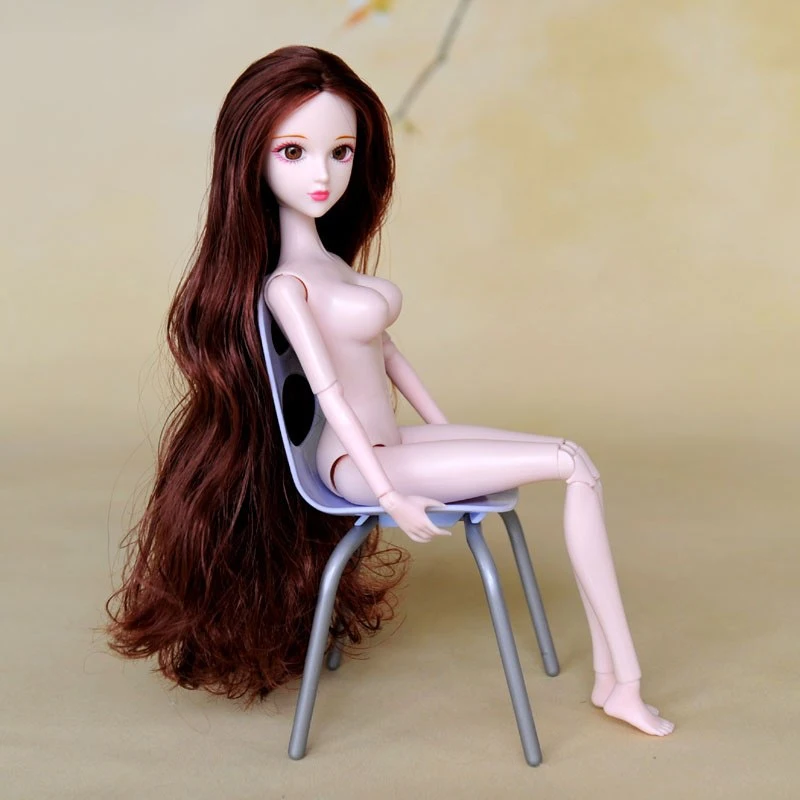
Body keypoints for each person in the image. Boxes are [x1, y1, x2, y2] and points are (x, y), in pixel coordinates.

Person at [110, 45, 673, 736]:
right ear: (250, 159)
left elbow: (391, 360)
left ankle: (616, 679)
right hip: (357, 465)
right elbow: (330, 396)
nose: (322, 173)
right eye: (293, 152)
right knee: (571, 462)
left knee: (570, 457)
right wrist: (390, 494)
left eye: (340, 152)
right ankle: (623, 683)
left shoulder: (331, 262)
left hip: (395, 444)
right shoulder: (288, 284)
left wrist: (444, 428)